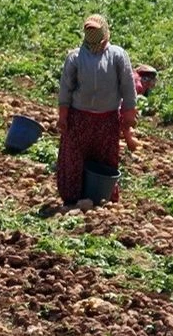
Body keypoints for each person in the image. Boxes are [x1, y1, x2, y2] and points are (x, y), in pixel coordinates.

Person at [56, 14, 137, 206]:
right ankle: (74, 198)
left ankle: (102, 197)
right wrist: (63, 116)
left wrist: (128, 116)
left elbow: (127, 86)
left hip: (106, 119)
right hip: (79, 117)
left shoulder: (117, 55)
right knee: (75, 157)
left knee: (104, 158)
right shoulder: (75, 57)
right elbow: (66, 89)